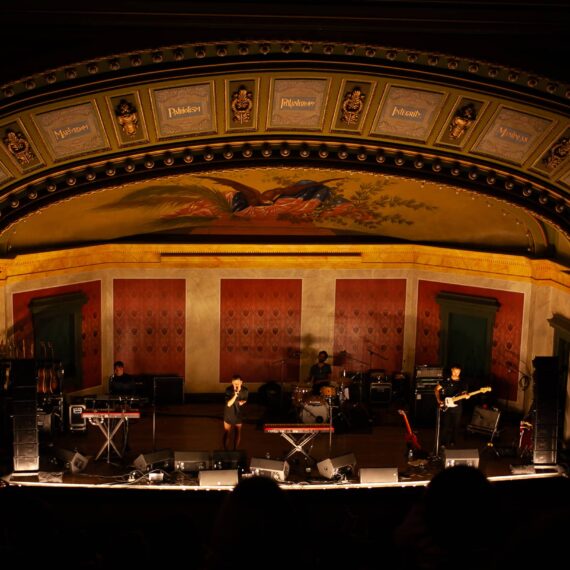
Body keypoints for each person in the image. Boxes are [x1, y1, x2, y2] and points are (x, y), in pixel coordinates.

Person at [434, 363, 468, 448]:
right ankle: (443, 443)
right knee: (445, 425)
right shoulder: (446, 381)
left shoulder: (463, 382)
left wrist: (466, 396)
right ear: (452, 370)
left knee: (456, 426)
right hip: (446, 406)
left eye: (458, 372)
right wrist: (438, 399)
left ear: (460, 372)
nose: (456, 373)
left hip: (458, 407)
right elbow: (436, 389)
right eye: (454, 371)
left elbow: (464, 393)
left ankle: (453, 441)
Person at [223, 374, 248, 450]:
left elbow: (245, 399)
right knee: (227, 433)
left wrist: (243, 402)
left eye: (237, 383)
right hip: (229, 413)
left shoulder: (245, 390)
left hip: (238, 414)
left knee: (238, 432)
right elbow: (229, 404)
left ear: (241, 382)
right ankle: (226, 450)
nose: (236, 385)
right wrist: (235, 395)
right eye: (234, 383)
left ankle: (235, 450)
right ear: (232, 383)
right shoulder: (228, 390)